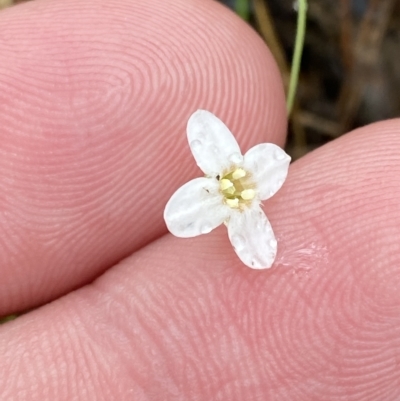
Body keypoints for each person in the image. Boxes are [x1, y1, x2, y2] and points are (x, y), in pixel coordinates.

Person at [0, 0, 399, 400]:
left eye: (236, 185)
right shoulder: (208, 182)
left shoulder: (258, 175)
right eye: (231, 184)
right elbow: (185, 205)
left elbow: (271, 172)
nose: (234, 187)